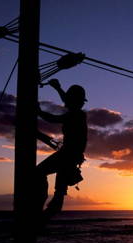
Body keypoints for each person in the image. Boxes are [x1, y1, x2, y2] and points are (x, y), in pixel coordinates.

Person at [36, 78, 88, 220]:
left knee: (39, 173)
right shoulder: (77, 113)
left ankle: (39, 209)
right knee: (59, 189)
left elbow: (53, 119)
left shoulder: (76, 114)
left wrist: (39, 111)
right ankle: (43, 213)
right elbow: (68, 101)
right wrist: (57, 88)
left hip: (68, 154)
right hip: (70, 154)